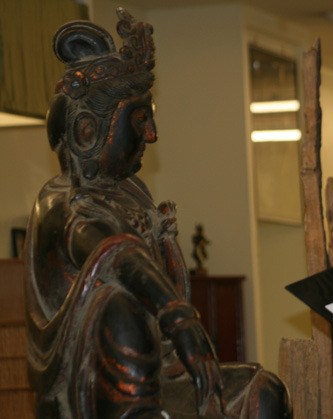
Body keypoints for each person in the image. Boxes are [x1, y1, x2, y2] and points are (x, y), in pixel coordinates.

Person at [24, 8, 289, 418]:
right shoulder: (60, 202)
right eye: (140, 119)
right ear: (88, 131)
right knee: (117, 306)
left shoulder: (131, 192)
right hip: (98, 387)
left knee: (262, 392)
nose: (152, 134)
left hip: (165, 373)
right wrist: (176, 314)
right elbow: (112, 251)